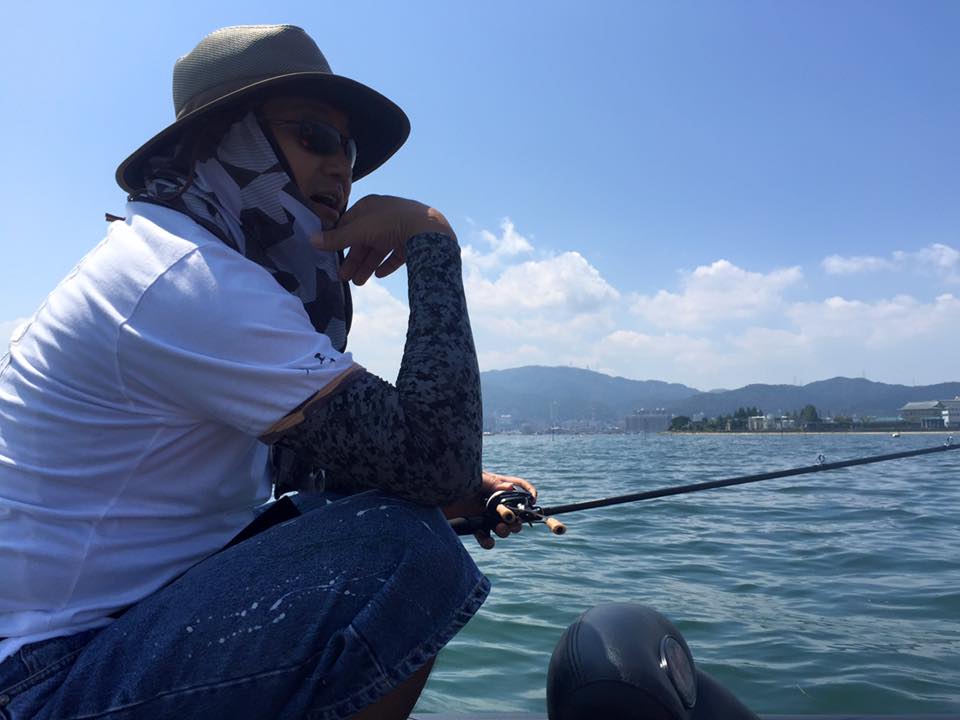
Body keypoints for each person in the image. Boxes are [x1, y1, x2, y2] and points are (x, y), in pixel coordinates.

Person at [0, 24, 535, 719]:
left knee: (376, 515)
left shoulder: (176, 259)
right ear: (224, 139)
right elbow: (434, 459)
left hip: (89, 644)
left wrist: (454, 488)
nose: (342, 168)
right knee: (407, 552)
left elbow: (357, 470)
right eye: (315, 136)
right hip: (44, 677)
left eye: (349, 149)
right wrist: (432, 238)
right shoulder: (186, 278)